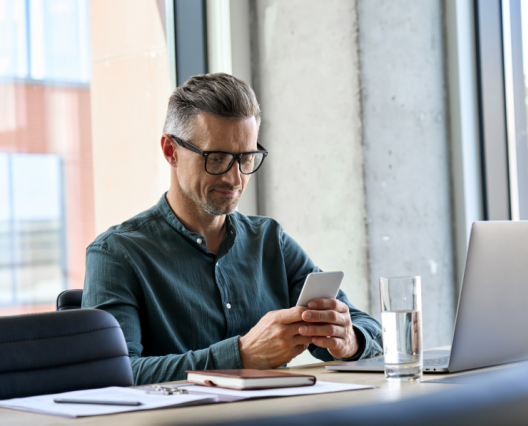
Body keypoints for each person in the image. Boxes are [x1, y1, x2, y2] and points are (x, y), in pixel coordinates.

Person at [82, 73, 383, 385]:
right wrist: (241, 355)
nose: (235, 178)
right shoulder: (117, 254)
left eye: (246, 158)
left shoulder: (269, 241)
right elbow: (114, 374)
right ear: (171, 151)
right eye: (218, 158)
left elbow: (364, 325)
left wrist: (348, 340)